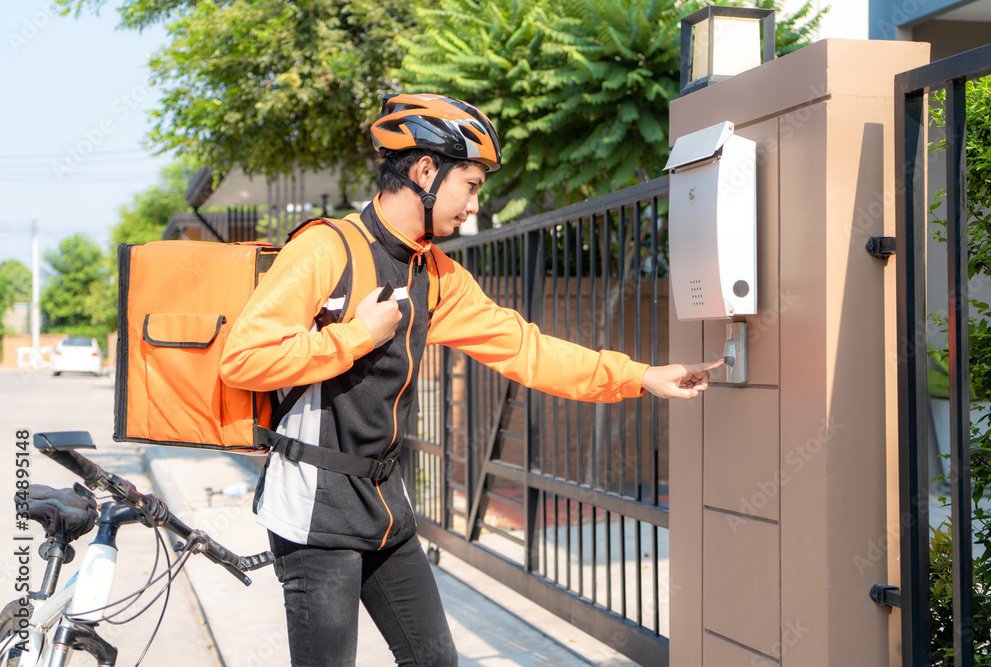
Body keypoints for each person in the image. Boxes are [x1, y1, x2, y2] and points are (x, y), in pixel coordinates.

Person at [219, 93, 723, 667]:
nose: (473, 207)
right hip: (313, 508)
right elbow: (245, 358)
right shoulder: (326, 248)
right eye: (472, 185)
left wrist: (641, 376)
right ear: (427, 171)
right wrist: (357, 335)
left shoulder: (437, 276)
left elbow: (526, 350)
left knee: (435, 660)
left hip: (385, 503)